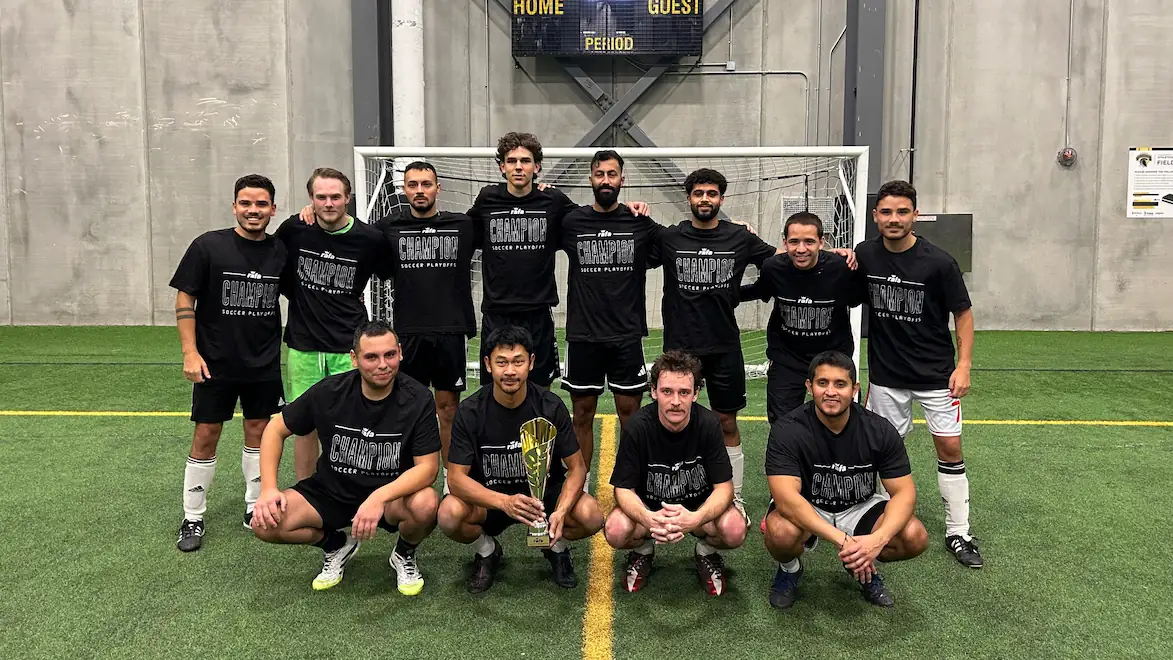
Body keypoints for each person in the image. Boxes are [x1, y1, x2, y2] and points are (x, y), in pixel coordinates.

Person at [250, 321, 441, 595]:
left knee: (427, 503)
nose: (382, 365)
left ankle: (404, 553)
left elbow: (428, 469)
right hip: (331, 492)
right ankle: (335, 543)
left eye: (389, 354)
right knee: (265, 524)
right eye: (371, 357)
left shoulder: (418, 398)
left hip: (389, 498)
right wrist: (268, 489)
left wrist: (379, 498)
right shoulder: (330, 391)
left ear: (400, 352)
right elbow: (274, 430)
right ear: (354, 359)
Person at [855, 179, 983, 568]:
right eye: (886, 212)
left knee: (949, 448)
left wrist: (963, 365)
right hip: (886, 377)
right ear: (876, 216)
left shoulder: (939, 262)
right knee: (880, 451)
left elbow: (963, 314)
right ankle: (876, 521)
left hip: (936, 376)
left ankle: (958, 532)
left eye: (902, 212)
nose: (894, 220)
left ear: (915, 213)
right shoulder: (866, 255)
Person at [467, 132, 650, 388]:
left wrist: (629, 208)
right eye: (511, 161)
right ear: (502, 166)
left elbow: (595, 220)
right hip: (497, 313)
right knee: (494, 389)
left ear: (537, 166)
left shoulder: (552, 200)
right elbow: (463, 236)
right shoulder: (487, 199)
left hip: (538, 313)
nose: (518, 167)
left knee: (540, 389)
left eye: (526, 161)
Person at [649, 168, 778, 520]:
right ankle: (671, 492)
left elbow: (780, 264)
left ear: (721, 198)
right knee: (674, 421)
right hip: (679, 350)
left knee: (726, 422)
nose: (704, 199)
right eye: (698, 193)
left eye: (711, 193)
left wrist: (746, 293)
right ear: (689, 198)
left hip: (723, 345)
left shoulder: (739, 238)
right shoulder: (670, 238)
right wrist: (636, 209)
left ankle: (733, 500)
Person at [169, 174, 287, 552]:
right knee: (206, 434)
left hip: (263, 363)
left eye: (261, 204)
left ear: (273, 208)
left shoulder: (280, 251)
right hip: (214, 363)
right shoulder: (208, 246)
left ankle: (254, 509)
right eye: (246, 203)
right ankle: (193, 517)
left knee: (259, 431)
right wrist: (190, 352)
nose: (254, 210)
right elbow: (185, 300)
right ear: (234, 206)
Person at [438, 326, 603, 593]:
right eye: (502, 362)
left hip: (543, 500)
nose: (510, 371)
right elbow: (455, 479)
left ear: (531, 363)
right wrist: (504, 502)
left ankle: (555, 546)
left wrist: (559, 512)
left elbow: (577, 468)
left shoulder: (550, 406)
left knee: (591, 515)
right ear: (488, 365)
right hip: (491, 500)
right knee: (449, 515)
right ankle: (487, 550)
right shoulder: (470, 411)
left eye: (518, 361)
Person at [763, 351, 928, 609]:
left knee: (914, 536)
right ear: (809, 387)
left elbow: (905, 494)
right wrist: (844, 541)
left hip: (859, 506)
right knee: (780, 532)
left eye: (840, 384)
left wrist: (877, 539)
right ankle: (790, 569)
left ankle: (860, 565)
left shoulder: (879, 430)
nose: (831, 392)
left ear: (854, 389)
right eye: (822, 383)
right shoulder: (788, 429)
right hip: (809, 505)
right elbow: (787, 500)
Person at [275, 168, 393, 480]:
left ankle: (352, 491)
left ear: (348, 199)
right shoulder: (294, 229)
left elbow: (391, 274)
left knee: (351, 424)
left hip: (348, 345)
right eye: (321, 197)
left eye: (335, 197)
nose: (329, 203)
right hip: (304, 345)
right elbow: (277, 270)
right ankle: (306, 492)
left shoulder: (369, 239)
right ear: (311, 199)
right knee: (304, 425)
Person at [604, 350, 747, 595]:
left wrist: (695, 519)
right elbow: (623, 489)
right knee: (615, 529)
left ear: (696, 394)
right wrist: (648, 519)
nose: (676, 401)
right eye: (667, 391)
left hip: (696, 510)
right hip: (651, 511)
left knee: (735, 529)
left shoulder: (708, 424)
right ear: (653, 391)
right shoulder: (638, 426)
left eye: (684, 392)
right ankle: (643, 550)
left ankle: (706, 552)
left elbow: (724, 488)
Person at [559, 149, 663, 483]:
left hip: (626, 335)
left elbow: (680, 239)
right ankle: (579, 489)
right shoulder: (572, 221)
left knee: (630, 414)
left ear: (622, 179)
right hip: (583, 335)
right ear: (591, 179)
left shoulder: (639, 223)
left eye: (612, 174)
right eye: (600, 174)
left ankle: (633, 485)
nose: (606, 180)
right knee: (582, 414)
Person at [378, 161, 477, 474]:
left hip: (450, 331)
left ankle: (452, 480)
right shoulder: (388, 227)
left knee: (448, 408)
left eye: (426, 184)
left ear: (438, 188)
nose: (419, 190)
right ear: (404, 189)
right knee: (409, 409)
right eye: (413, 184)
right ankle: (411, 477)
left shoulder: (462, 224)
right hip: (407, 333)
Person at [741, 212, 864, 423]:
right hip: (787, 358)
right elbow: (757, 291)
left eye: (809, 242)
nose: (801, 249)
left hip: (832, 356)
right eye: (794, 242)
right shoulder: (773, 267)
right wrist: (717, 293)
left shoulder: (840, 267)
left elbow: (859, 296)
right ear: (784, 243)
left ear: (821, 242)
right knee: (782, 424)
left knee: (840, 420)